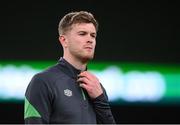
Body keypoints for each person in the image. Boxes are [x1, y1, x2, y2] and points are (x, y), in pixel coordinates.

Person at [24, 11, 116, 124]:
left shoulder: (97, 88)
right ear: (64, 40)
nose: (90, 39)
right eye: (82, 34)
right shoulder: (43, 82)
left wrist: (100, 100)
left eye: (93, 35)